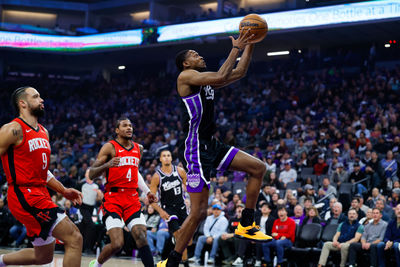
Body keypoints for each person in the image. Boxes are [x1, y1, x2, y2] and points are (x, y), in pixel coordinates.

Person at [158, 30, 271, 267]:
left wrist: (250, 44)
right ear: (186, 63)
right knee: (198, 213)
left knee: (258, 168)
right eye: (195, 54)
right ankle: (171, 261)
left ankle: (247, 223)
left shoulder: (205, 78)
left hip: (212, 144)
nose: (199, 56)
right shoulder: (186, 76)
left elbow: (239, 72)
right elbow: (221, 75)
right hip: (194, 148)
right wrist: (236, 47)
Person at [0, 86, 83, 267]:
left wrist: (63, 190)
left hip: (40, 193)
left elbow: (43, 171)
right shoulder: (12, 129)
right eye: (36, 97)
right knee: (75, 238)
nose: (42, 100)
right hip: (25, 195)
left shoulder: (43, 131)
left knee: (43, 257)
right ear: (22, 103)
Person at [88, 117, 157, 267]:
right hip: (113, 199)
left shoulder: (139, 148)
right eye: (125, 126)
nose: (129, 128)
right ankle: (97, 264)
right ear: (117, 130)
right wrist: (107, 164)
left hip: (132, 198)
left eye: (131, 126)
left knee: (141, 236)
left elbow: (134, 172)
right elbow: (91, 174)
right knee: (117, 243)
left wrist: (146, 191)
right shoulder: (109, 147)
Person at [149, 150, 189, 262]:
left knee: (187, 239)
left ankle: (174, 244)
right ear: (160, 159)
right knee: (180, 236)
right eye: (164, 156)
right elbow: (151, 200)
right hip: (169, 209)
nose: (166, 158)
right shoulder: (157, 177)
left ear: (171, 158)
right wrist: (160, 211)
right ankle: (185, 262)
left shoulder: (180, 171)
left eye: (168, 155)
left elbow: (191, 188)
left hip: (182, 207)